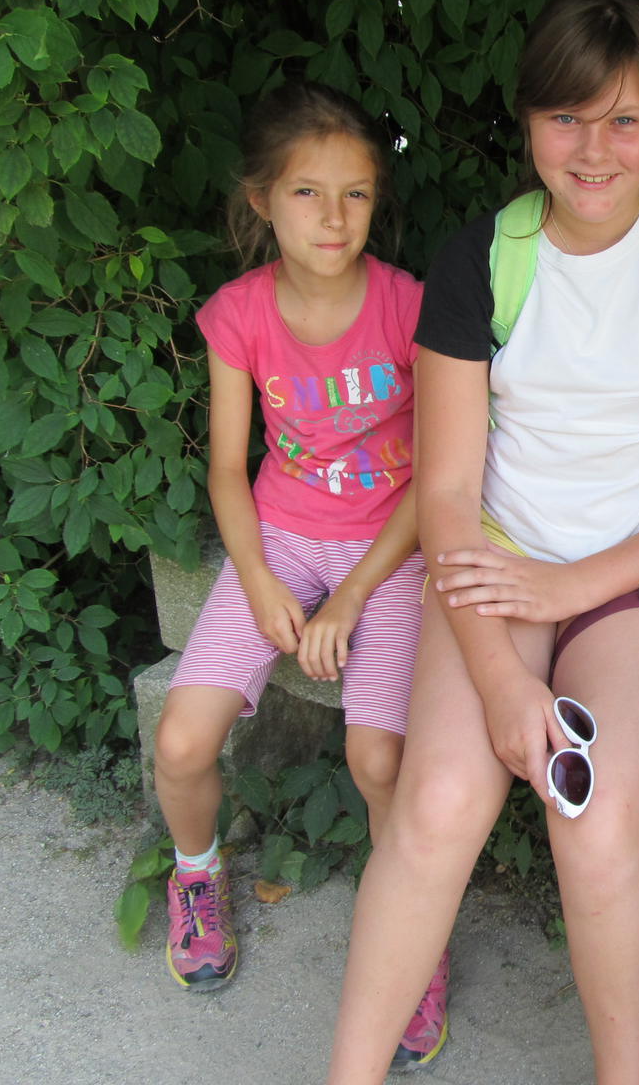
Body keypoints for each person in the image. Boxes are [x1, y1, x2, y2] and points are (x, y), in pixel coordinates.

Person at [325, 0, 639, 1083]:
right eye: (565, 118)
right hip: (491, 555)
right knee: (437, 803)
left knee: (598, 818)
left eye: (622, 119)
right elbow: (446, 493)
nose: (592, 150)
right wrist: (498, 680)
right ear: (529, 121)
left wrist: (574, 586)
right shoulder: (480, 260)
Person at [153, 81, 449, 1063]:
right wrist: (263, 581)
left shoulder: (409, 308)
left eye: (356, 193)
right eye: (307, 193)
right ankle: (197, 874)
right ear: (261, 200)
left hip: (391, 550)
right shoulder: (238, 315)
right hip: (278, 538)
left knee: (381, 763)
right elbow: (226, 472)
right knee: (182, 743)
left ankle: (415, 938)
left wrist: (352, 596)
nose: (333, 217)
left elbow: (439, 478)